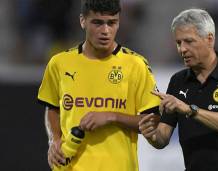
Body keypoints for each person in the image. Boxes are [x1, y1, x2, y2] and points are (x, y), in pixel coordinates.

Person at [37, 0, 160, 170]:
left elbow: (153, 122)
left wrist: (112, 116)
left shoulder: (136, 65)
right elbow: (52, 107)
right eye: (97, 23)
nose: (105, 31)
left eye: (112, 23)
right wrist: (54, 139)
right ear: (82, 21)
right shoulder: (59, 63)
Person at [139, 8, 218, 171]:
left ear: (209, 39)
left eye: (189, 41)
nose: (182, 49)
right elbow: (162, 138)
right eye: (178, 43)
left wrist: (189, 109)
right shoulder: (178, 81)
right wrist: (151, 134)